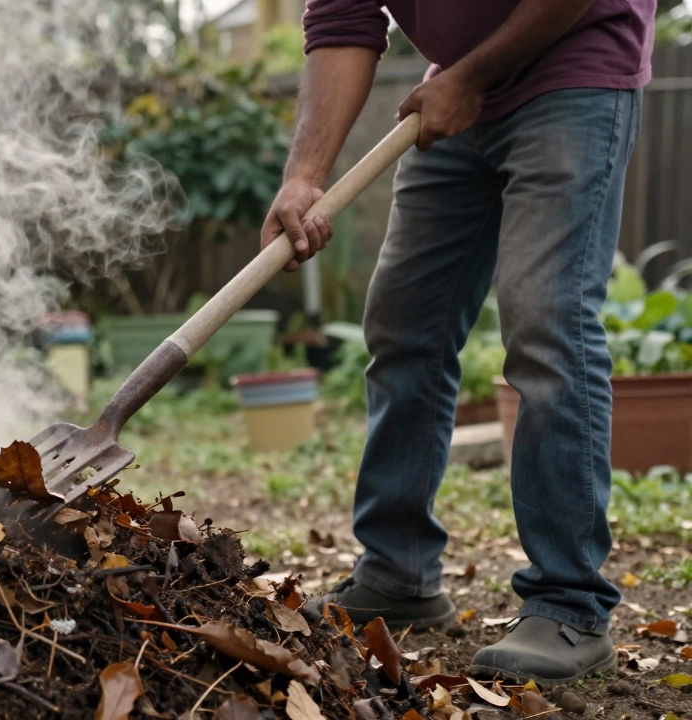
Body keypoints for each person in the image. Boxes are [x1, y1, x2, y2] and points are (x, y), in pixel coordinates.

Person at [267, 0, 656, 685]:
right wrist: (304, 174)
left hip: (575, 66)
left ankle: (569, 603)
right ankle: (398, 572)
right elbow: (342, 22)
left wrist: (471, 76)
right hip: (452, 92)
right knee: (403, 326)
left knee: (546, 322)